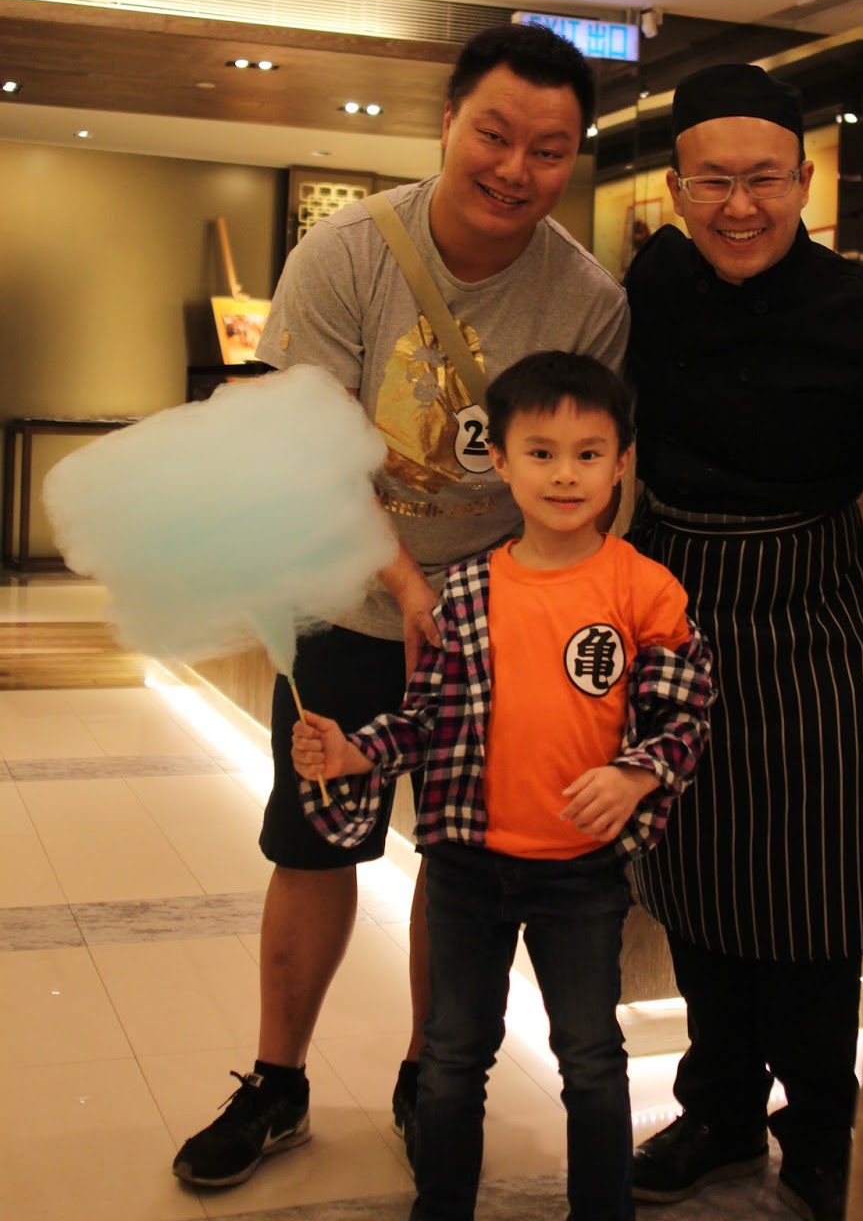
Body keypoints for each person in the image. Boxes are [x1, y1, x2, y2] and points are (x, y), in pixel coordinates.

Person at [171, 25, 629, 1189]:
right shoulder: (348, 251)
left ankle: (434, 1076)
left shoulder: (586, 297)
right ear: (447, 123)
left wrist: (517, 609)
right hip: (343, 604)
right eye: (494, 135)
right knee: (316, 840)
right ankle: (276, 1081)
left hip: (492, 628)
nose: (515, 168)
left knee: (461, 858)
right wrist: (412, 585)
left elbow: (576, 474)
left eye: (547, 150)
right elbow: (310, 452)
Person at [623, 63, 863, 1221]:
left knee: (814, 882)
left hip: (812, 604)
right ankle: (717, 1108)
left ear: (805, 180)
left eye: (763, 179)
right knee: (693, 863)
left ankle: (823, 1124)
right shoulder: (652, 281)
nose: (739, 206)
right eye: (713, 181)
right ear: (676, 188)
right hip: (675, 601)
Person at [292, 350, 716, 1221]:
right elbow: (424, 720)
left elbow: (686, 716)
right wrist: (351, 754)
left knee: (592, 1060)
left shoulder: (645, 589)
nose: (565, 474)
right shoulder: (466, 592)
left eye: (588, 454)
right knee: (452, 1057)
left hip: (583, 875)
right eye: (541, 452)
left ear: (622, 463)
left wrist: (634, 775)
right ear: (502, 461)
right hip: (465, 869)